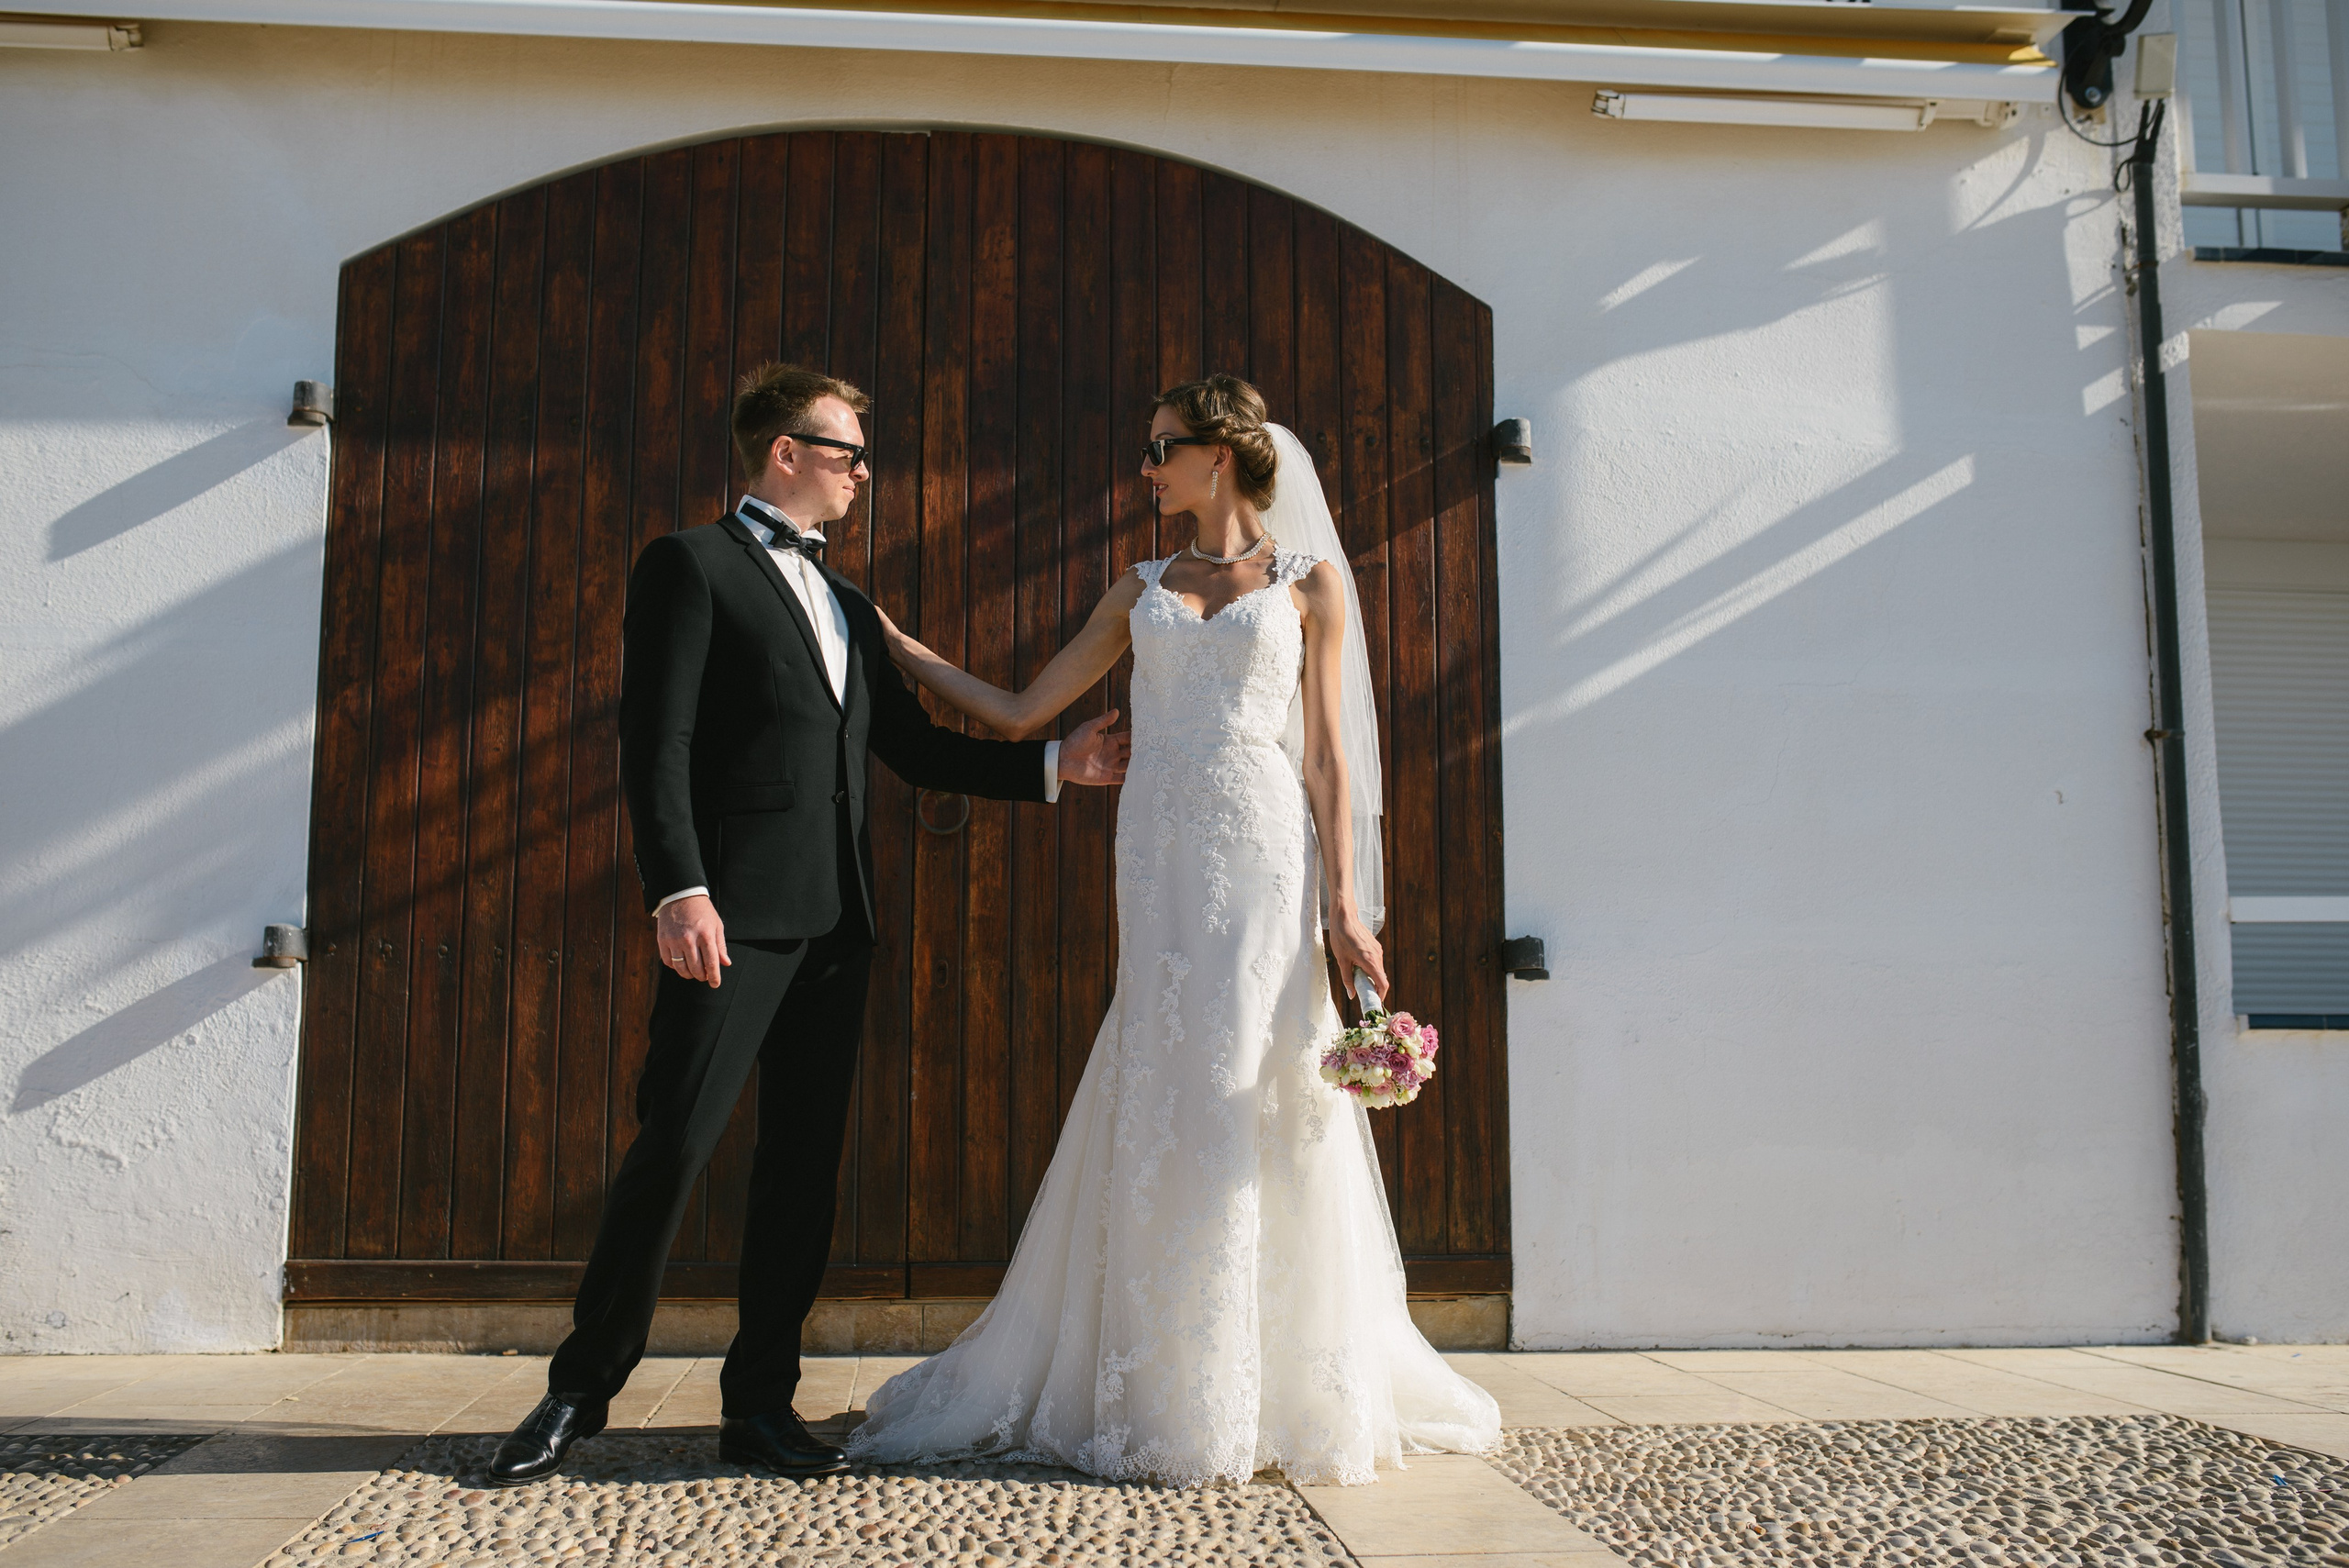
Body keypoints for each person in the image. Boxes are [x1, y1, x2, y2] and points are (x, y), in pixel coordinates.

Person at [845, 375, 1500, 1486]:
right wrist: (902, 650)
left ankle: (1275, 1373)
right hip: (1154, 843)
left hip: (1261, 840)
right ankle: (1157, 1370)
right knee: (1164, 1058)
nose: (1145, 471)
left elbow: (1334, 756)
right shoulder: (1138, 585)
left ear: (1221, 454)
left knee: (1255, 1061)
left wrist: (1347, 905)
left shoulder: (1310, 583)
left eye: (1160, 450)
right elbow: (1017, 708)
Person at [489, 363, 1129, 1486]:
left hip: (837, 926)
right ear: (784, 451)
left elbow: (913, 747)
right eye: (848, 453)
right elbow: (658, 745)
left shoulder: (844, 602)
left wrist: (1050, 765)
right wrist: (676, 885)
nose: (863, 475)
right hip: (729, 917)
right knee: (674, 1142)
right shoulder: (688, 565)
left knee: (800, 1168)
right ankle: (575, 1393)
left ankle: (761, 1406)